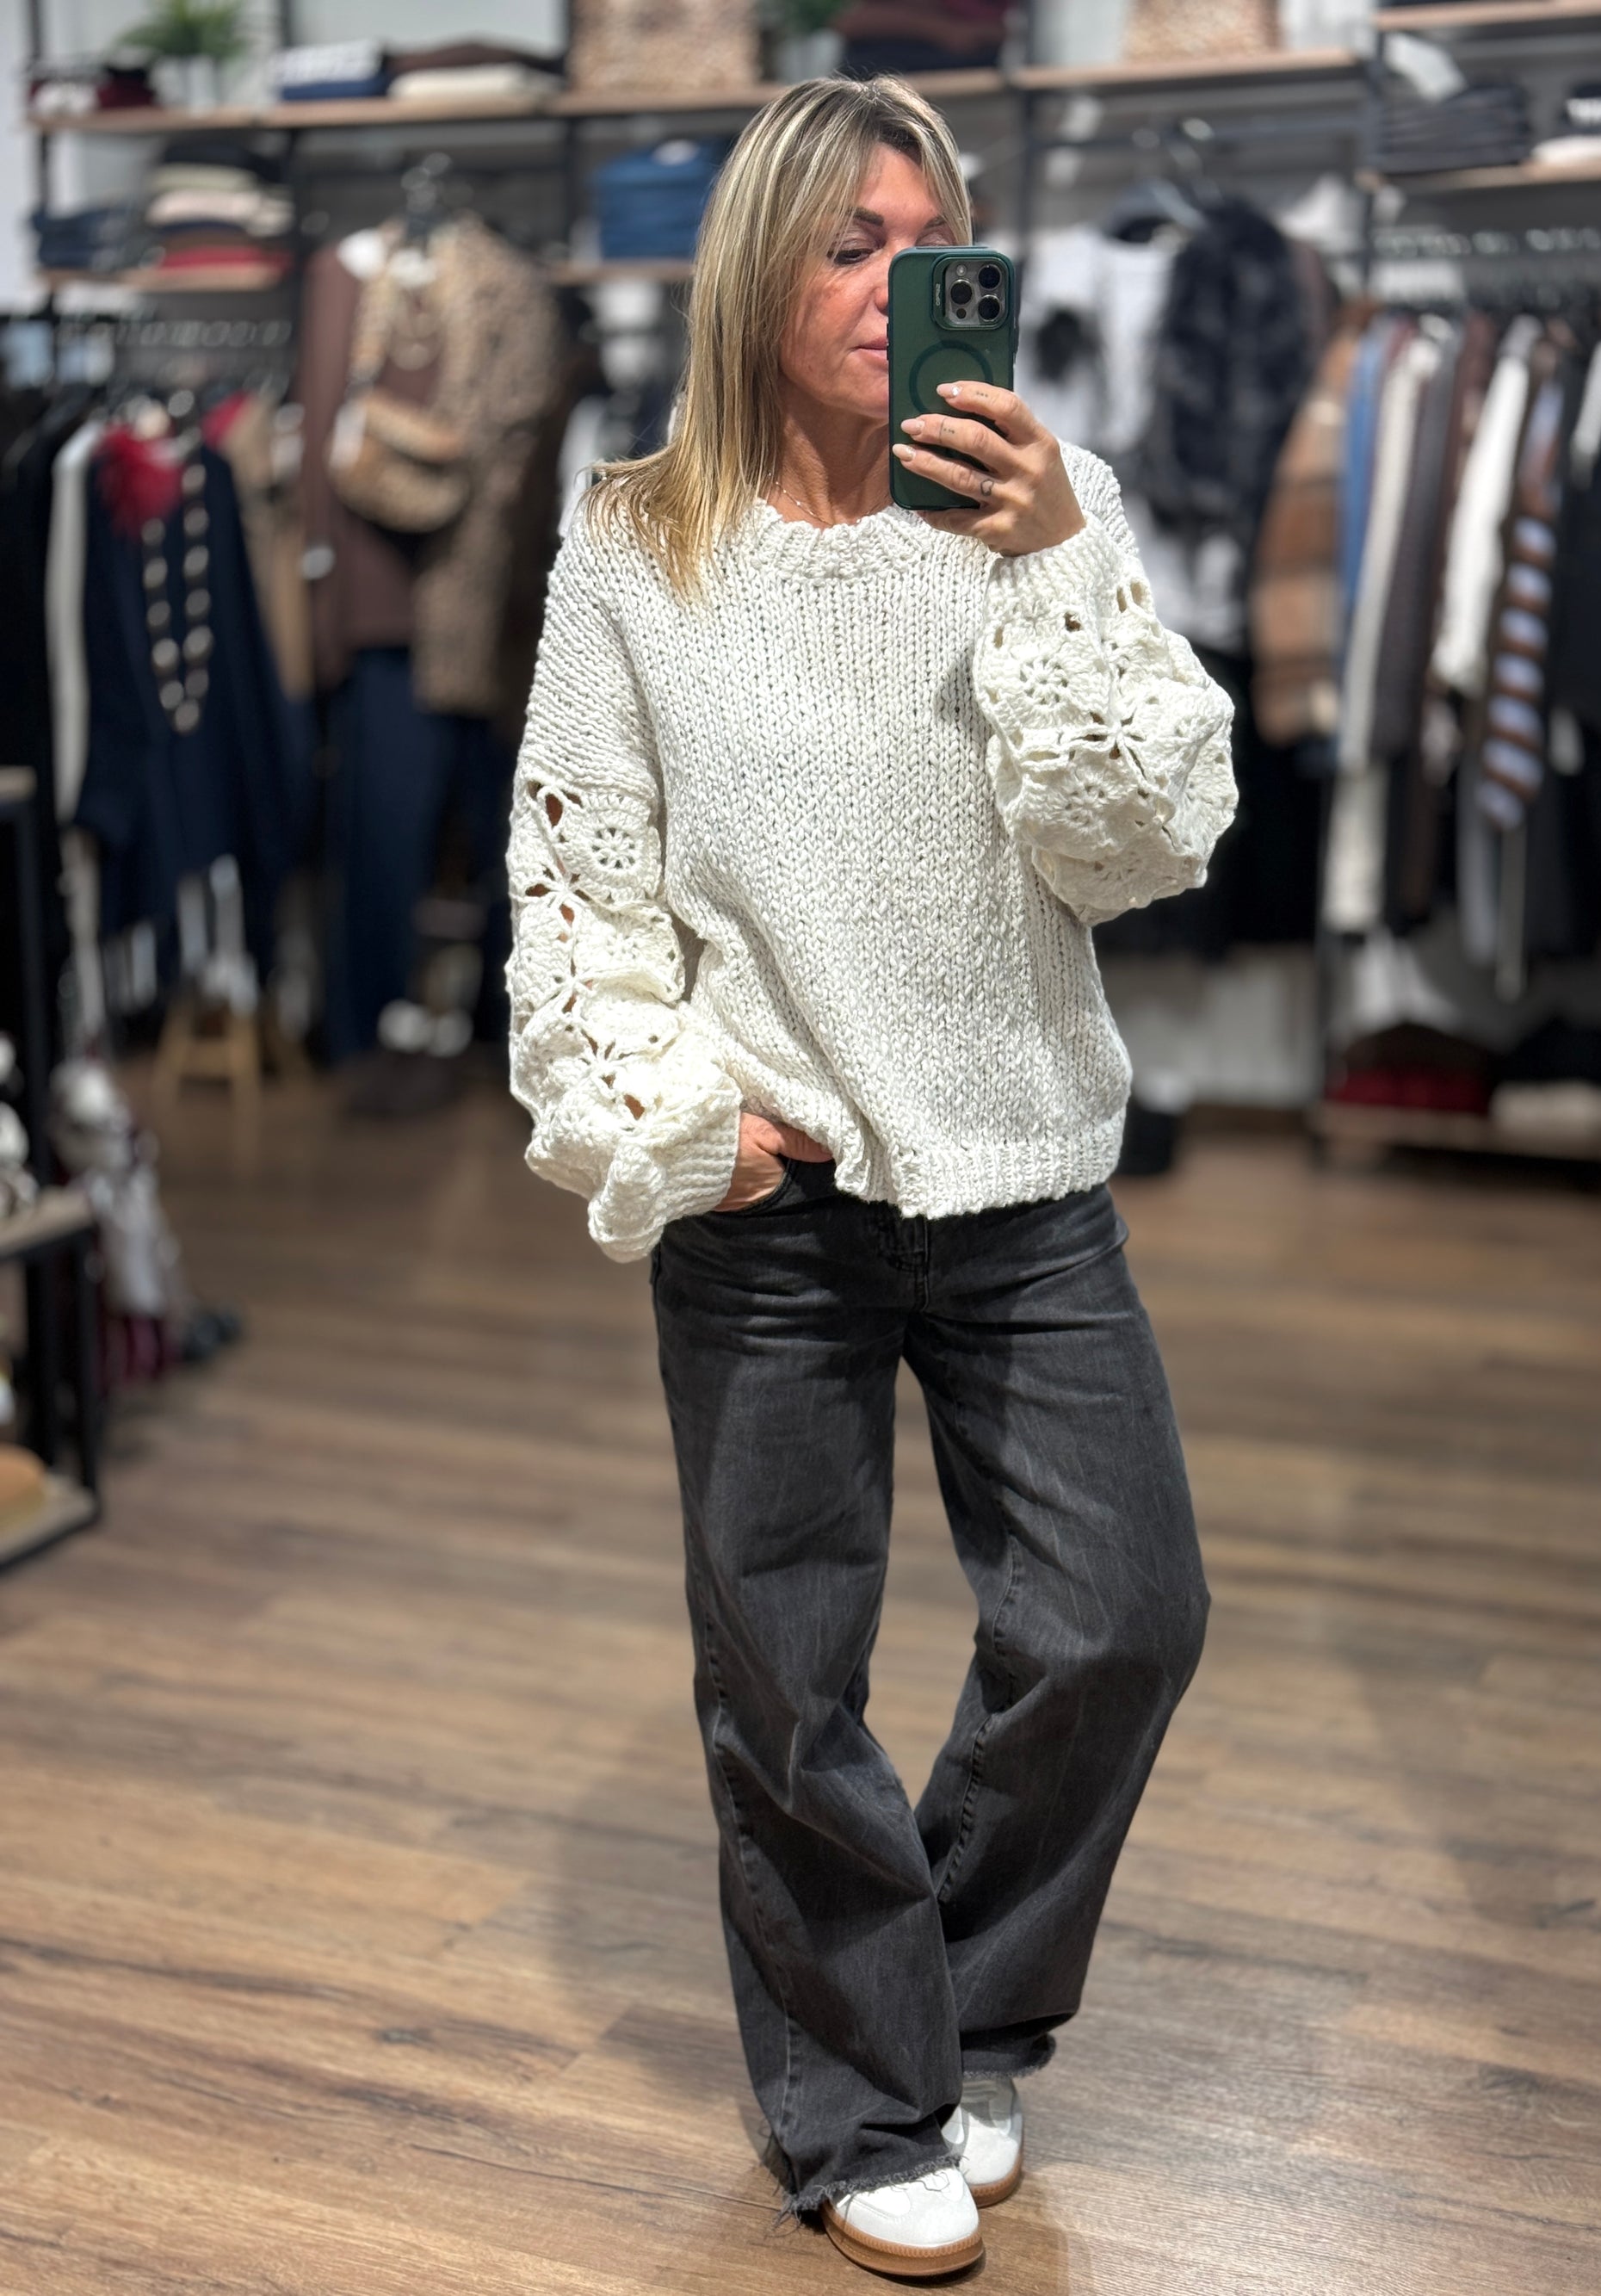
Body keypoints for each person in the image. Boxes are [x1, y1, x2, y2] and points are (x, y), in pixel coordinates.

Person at [506, 75, 1235, 2281]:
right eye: (849, 243)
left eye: (929, 242)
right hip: (773, 1204)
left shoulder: (1044, 499)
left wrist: (1054, 558)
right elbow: (577, 879)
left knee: (1122, 1614)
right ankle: (852, 2097)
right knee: (783, 1673)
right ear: (758, 271)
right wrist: (675, 1114)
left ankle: (966, 2003)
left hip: (1024, 1175)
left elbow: (1138, 848)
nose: (897, 284)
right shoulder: (638, 537)